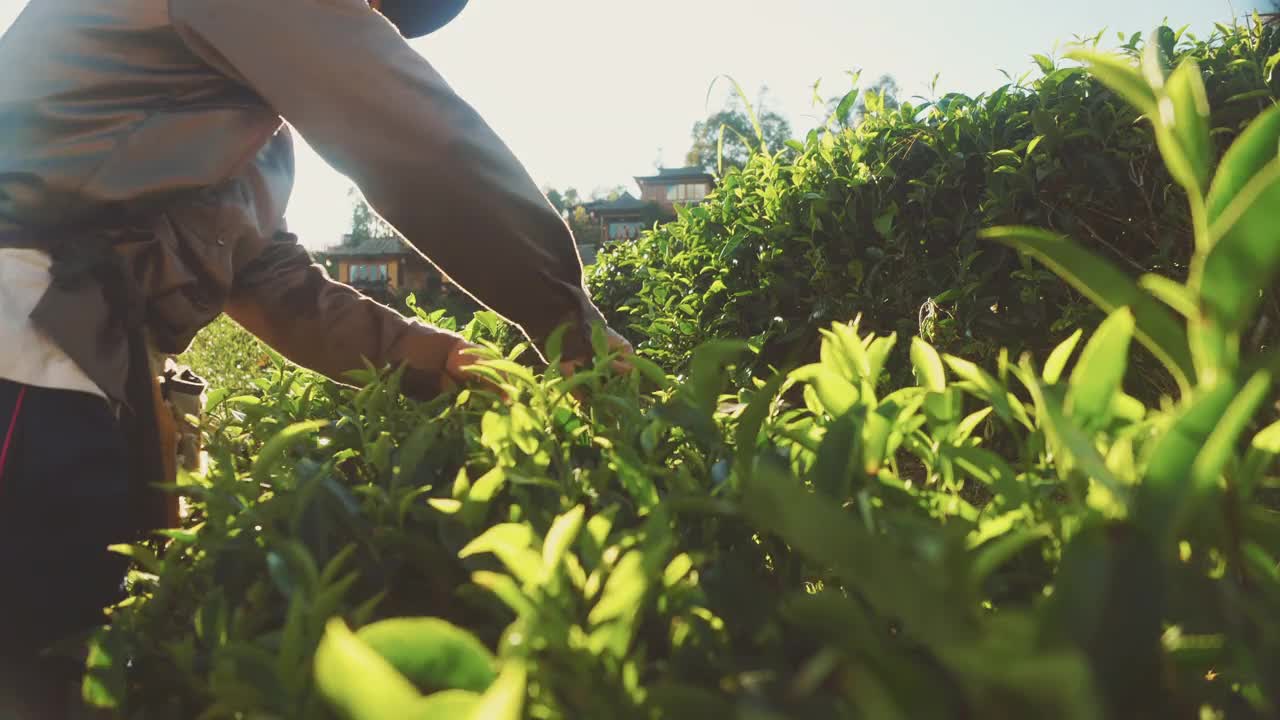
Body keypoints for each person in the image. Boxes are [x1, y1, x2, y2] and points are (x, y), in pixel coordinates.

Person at [0, 0, 631, 716]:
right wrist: (568, 322)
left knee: (70, 659)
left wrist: (438, 357)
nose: (361, 22)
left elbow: (274, 283)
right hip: (20, 342)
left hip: (78, 366)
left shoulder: (240, 120)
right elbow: (413, 135)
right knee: (31, 663)